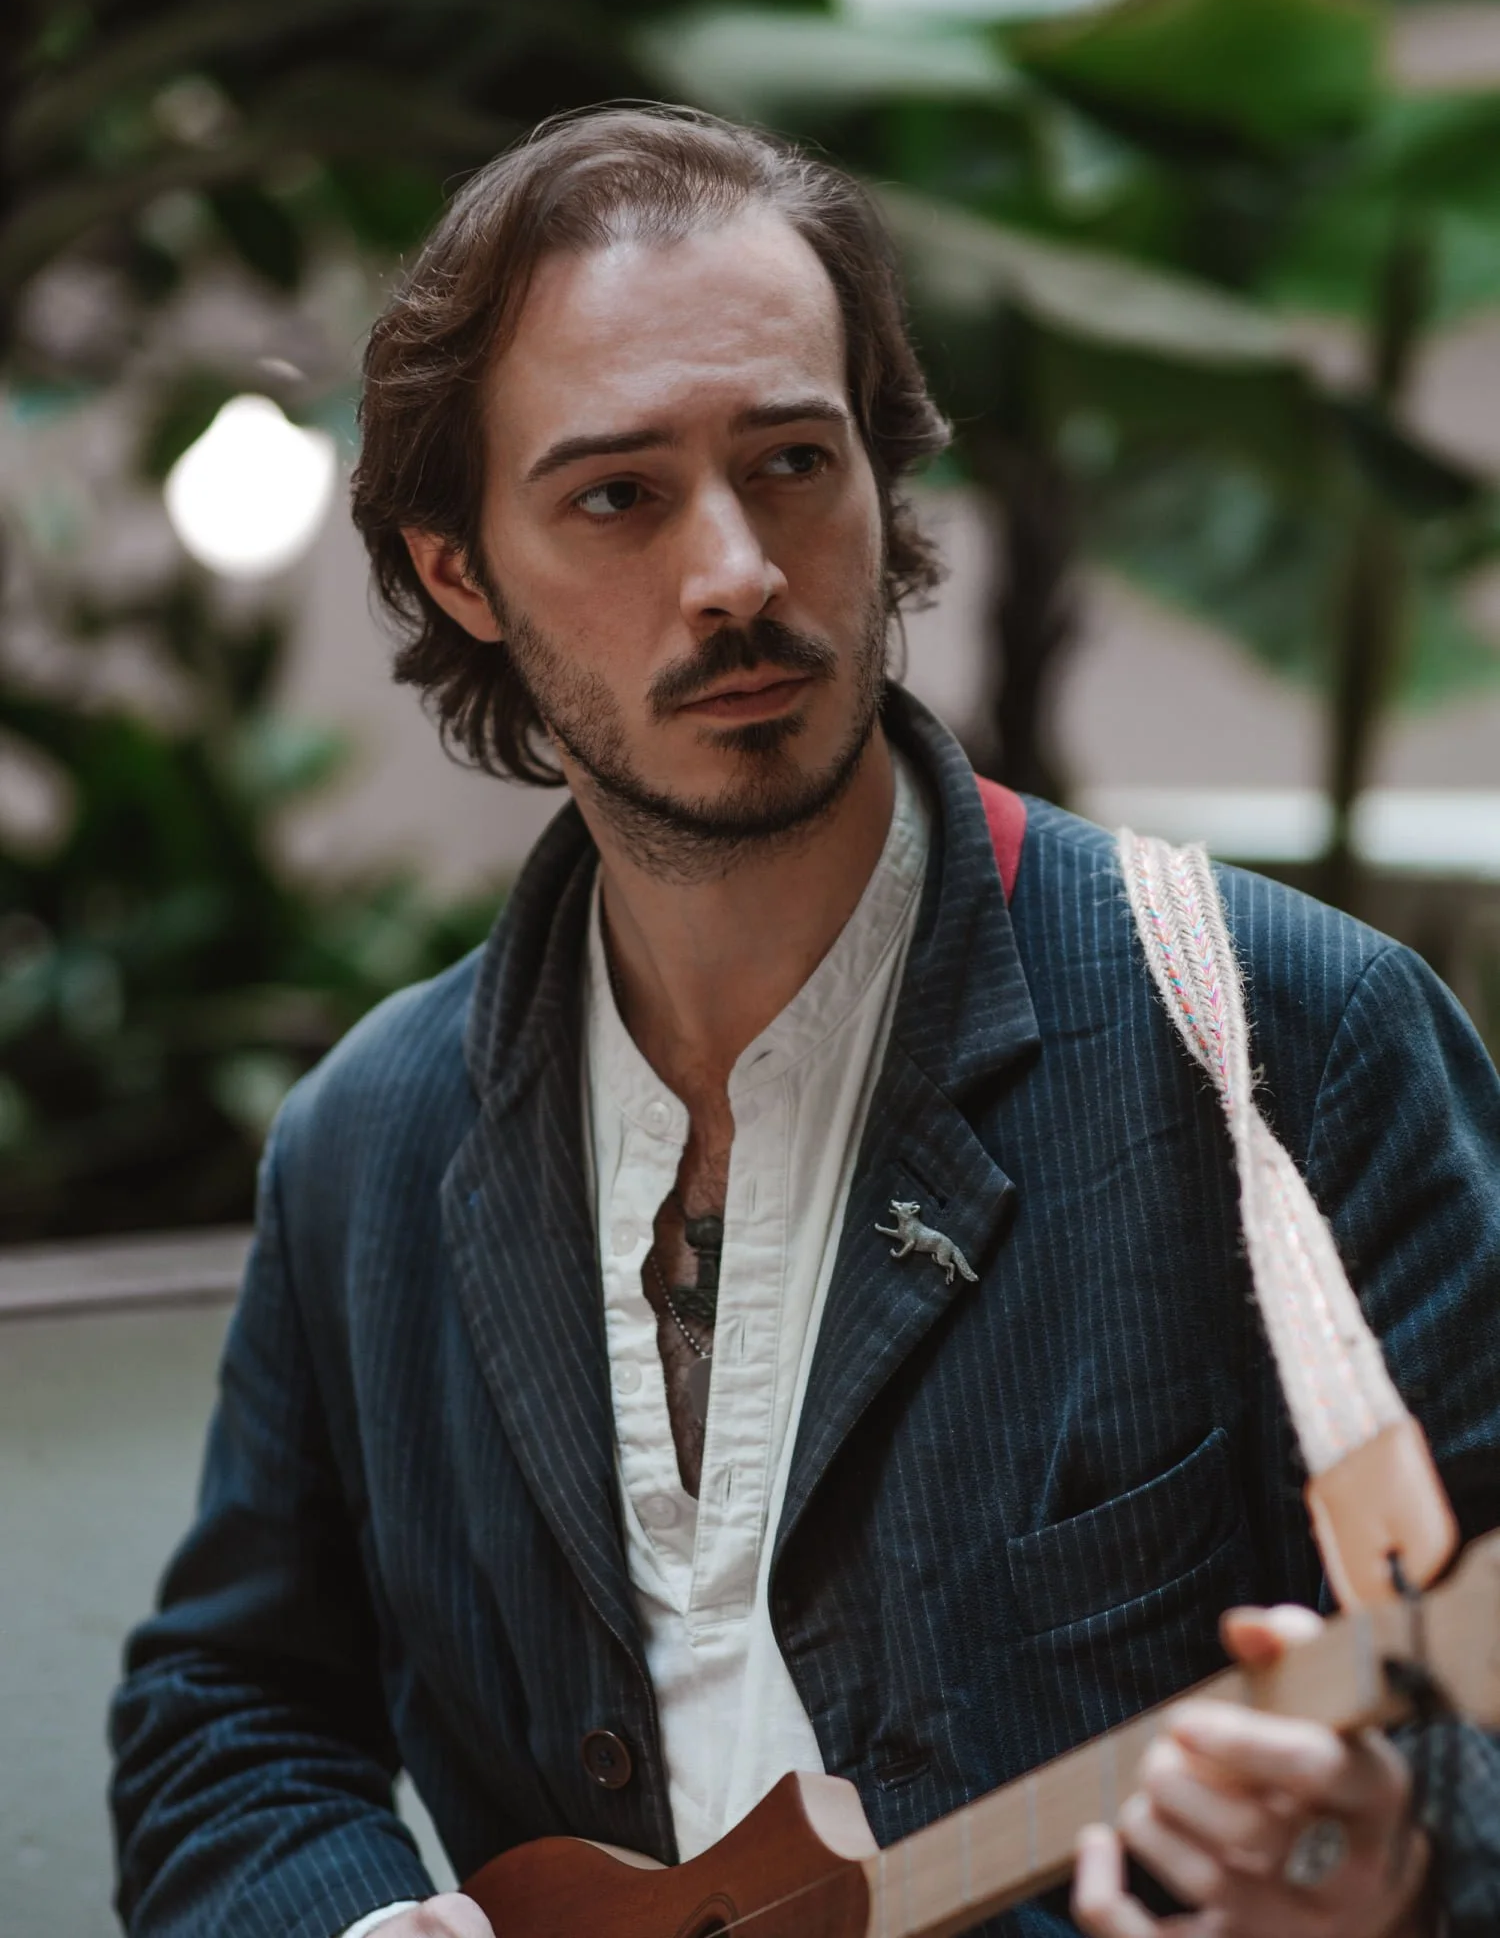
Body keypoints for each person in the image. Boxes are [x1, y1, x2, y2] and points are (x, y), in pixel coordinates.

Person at [109, 108, 1500, 1938]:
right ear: (459, 571)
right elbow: (230, 1714)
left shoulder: (1285, 1040)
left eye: (789, 463)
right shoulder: (369, 1144)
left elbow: (1468, 1721)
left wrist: (1398, 1865)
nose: (737, 572)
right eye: (617, 497)